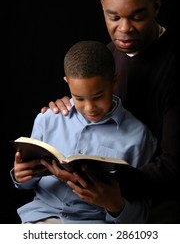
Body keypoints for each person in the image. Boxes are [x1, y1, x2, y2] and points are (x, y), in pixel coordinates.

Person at [42, 0, 180, 223]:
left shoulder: (173, 66)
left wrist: (105, 182)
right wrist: (69, 107)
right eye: (113, 17)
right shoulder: (107, 55)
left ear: (157, 7)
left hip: (158, 205)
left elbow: (174, 167)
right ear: (103, 6)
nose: (124, 29)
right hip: (99, 204)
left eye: (137, 16)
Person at [10, 40, 157, 224]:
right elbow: (28, 183)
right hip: (42, 217)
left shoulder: (139, 138)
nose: (90, 108)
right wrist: (21, 176)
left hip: (95, 225)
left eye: (98, 97)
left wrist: (115, 204)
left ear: (114, 81)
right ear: (67, 83)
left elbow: (141, 215)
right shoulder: (47, 120)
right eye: (78, 98)